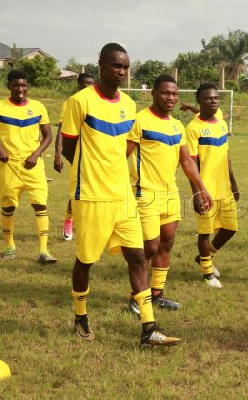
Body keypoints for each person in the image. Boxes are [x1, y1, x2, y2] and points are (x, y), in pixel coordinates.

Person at [61, 43, 179, 347]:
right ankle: (81, 317)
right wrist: (89, 176)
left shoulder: (129, 104)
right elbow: (68, 147)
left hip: (123, 196)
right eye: (116, 65)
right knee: (86, 261)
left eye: (126, 66)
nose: (122, 71)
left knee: (138, 257)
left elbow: (124, 149)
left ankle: (148, 327)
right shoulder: (79, 102)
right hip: (90, 197)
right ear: (100, 65)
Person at [126, 74, 213, 315]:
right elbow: (123, 155)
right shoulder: (139, 121)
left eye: (174, 94)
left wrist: (202, 189)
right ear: (153, 93)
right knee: (149, 247)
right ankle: (136, 297)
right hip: (144, 193)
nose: (171, 98)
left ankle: (156, 293)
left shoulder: (177, 126)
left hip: (170, 193)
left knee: (167, 243)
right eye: (165, 93)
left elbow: (186, 161)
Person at [0, 70, 57, 264]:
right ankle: (9, 246)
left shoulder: (38, 107)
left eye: (24, 85)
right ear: (9, 86)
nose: (20, 89)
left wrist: (36, 153)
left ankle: (44, 251)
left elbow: (48, 135)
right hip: (9, 166)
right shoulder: (1, 107)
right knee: (8, 207)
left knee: (41, 205)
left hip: (33, 166)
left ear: (28, 87)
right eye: (16, 85)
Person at [186, 83, 238, 289]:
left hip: (224, 187)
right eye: (208, 98)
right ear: (200, 102)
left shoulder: (222, 123)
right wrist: (197, 193)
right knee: (205, 232)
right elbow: (191, 164)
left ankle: (204, 257)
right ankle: (208, 274)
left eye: (216, 98)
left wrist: (234, 183)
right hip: (205, 189)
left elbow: (226, 156)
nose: (213, 101)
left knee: (231, 228)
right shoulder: (193, 128)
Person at [54, 72, 95, 241]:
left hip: (95, 155)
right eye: (86, 83)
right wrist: (57, 154)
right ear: (79, 84)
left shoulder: (96, 102)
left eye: (92, 83)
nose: (89, 86)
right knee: (77, 193)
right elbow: (62, 132)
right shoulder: (72, 102)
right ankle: (68, 220)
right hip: (78, 154)